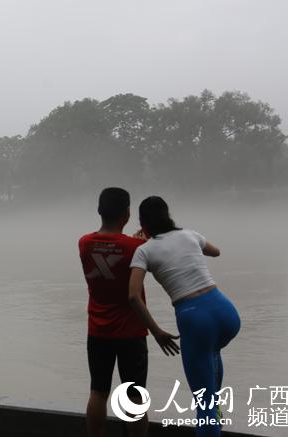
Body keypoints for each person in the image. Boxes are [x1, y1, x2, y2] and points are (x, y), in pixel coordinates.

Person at [128, 196, 240, 437]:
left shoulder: (143, 250)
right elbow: (216, 252)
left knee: (204, 405)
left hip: (196, 319)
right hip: (226, 312)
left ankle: (211, 415)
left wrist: (156, 332)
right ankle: (215, 410)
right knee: (212, 353)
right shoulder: (189, 235)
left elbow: (133, 296)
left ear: (142, 223)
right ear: (168, 216)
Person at [79, 187, 149, 437]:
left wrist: (132, 242)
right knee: (134, 393)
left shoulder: (84, 243)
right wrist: (139, 242)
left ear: (99, 210)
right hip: (131, 331)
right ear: (127, 214)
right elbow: (130, 253)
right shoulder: (137, 247)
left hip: (98, 330)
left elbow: (112, 249)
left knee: (98, 391)